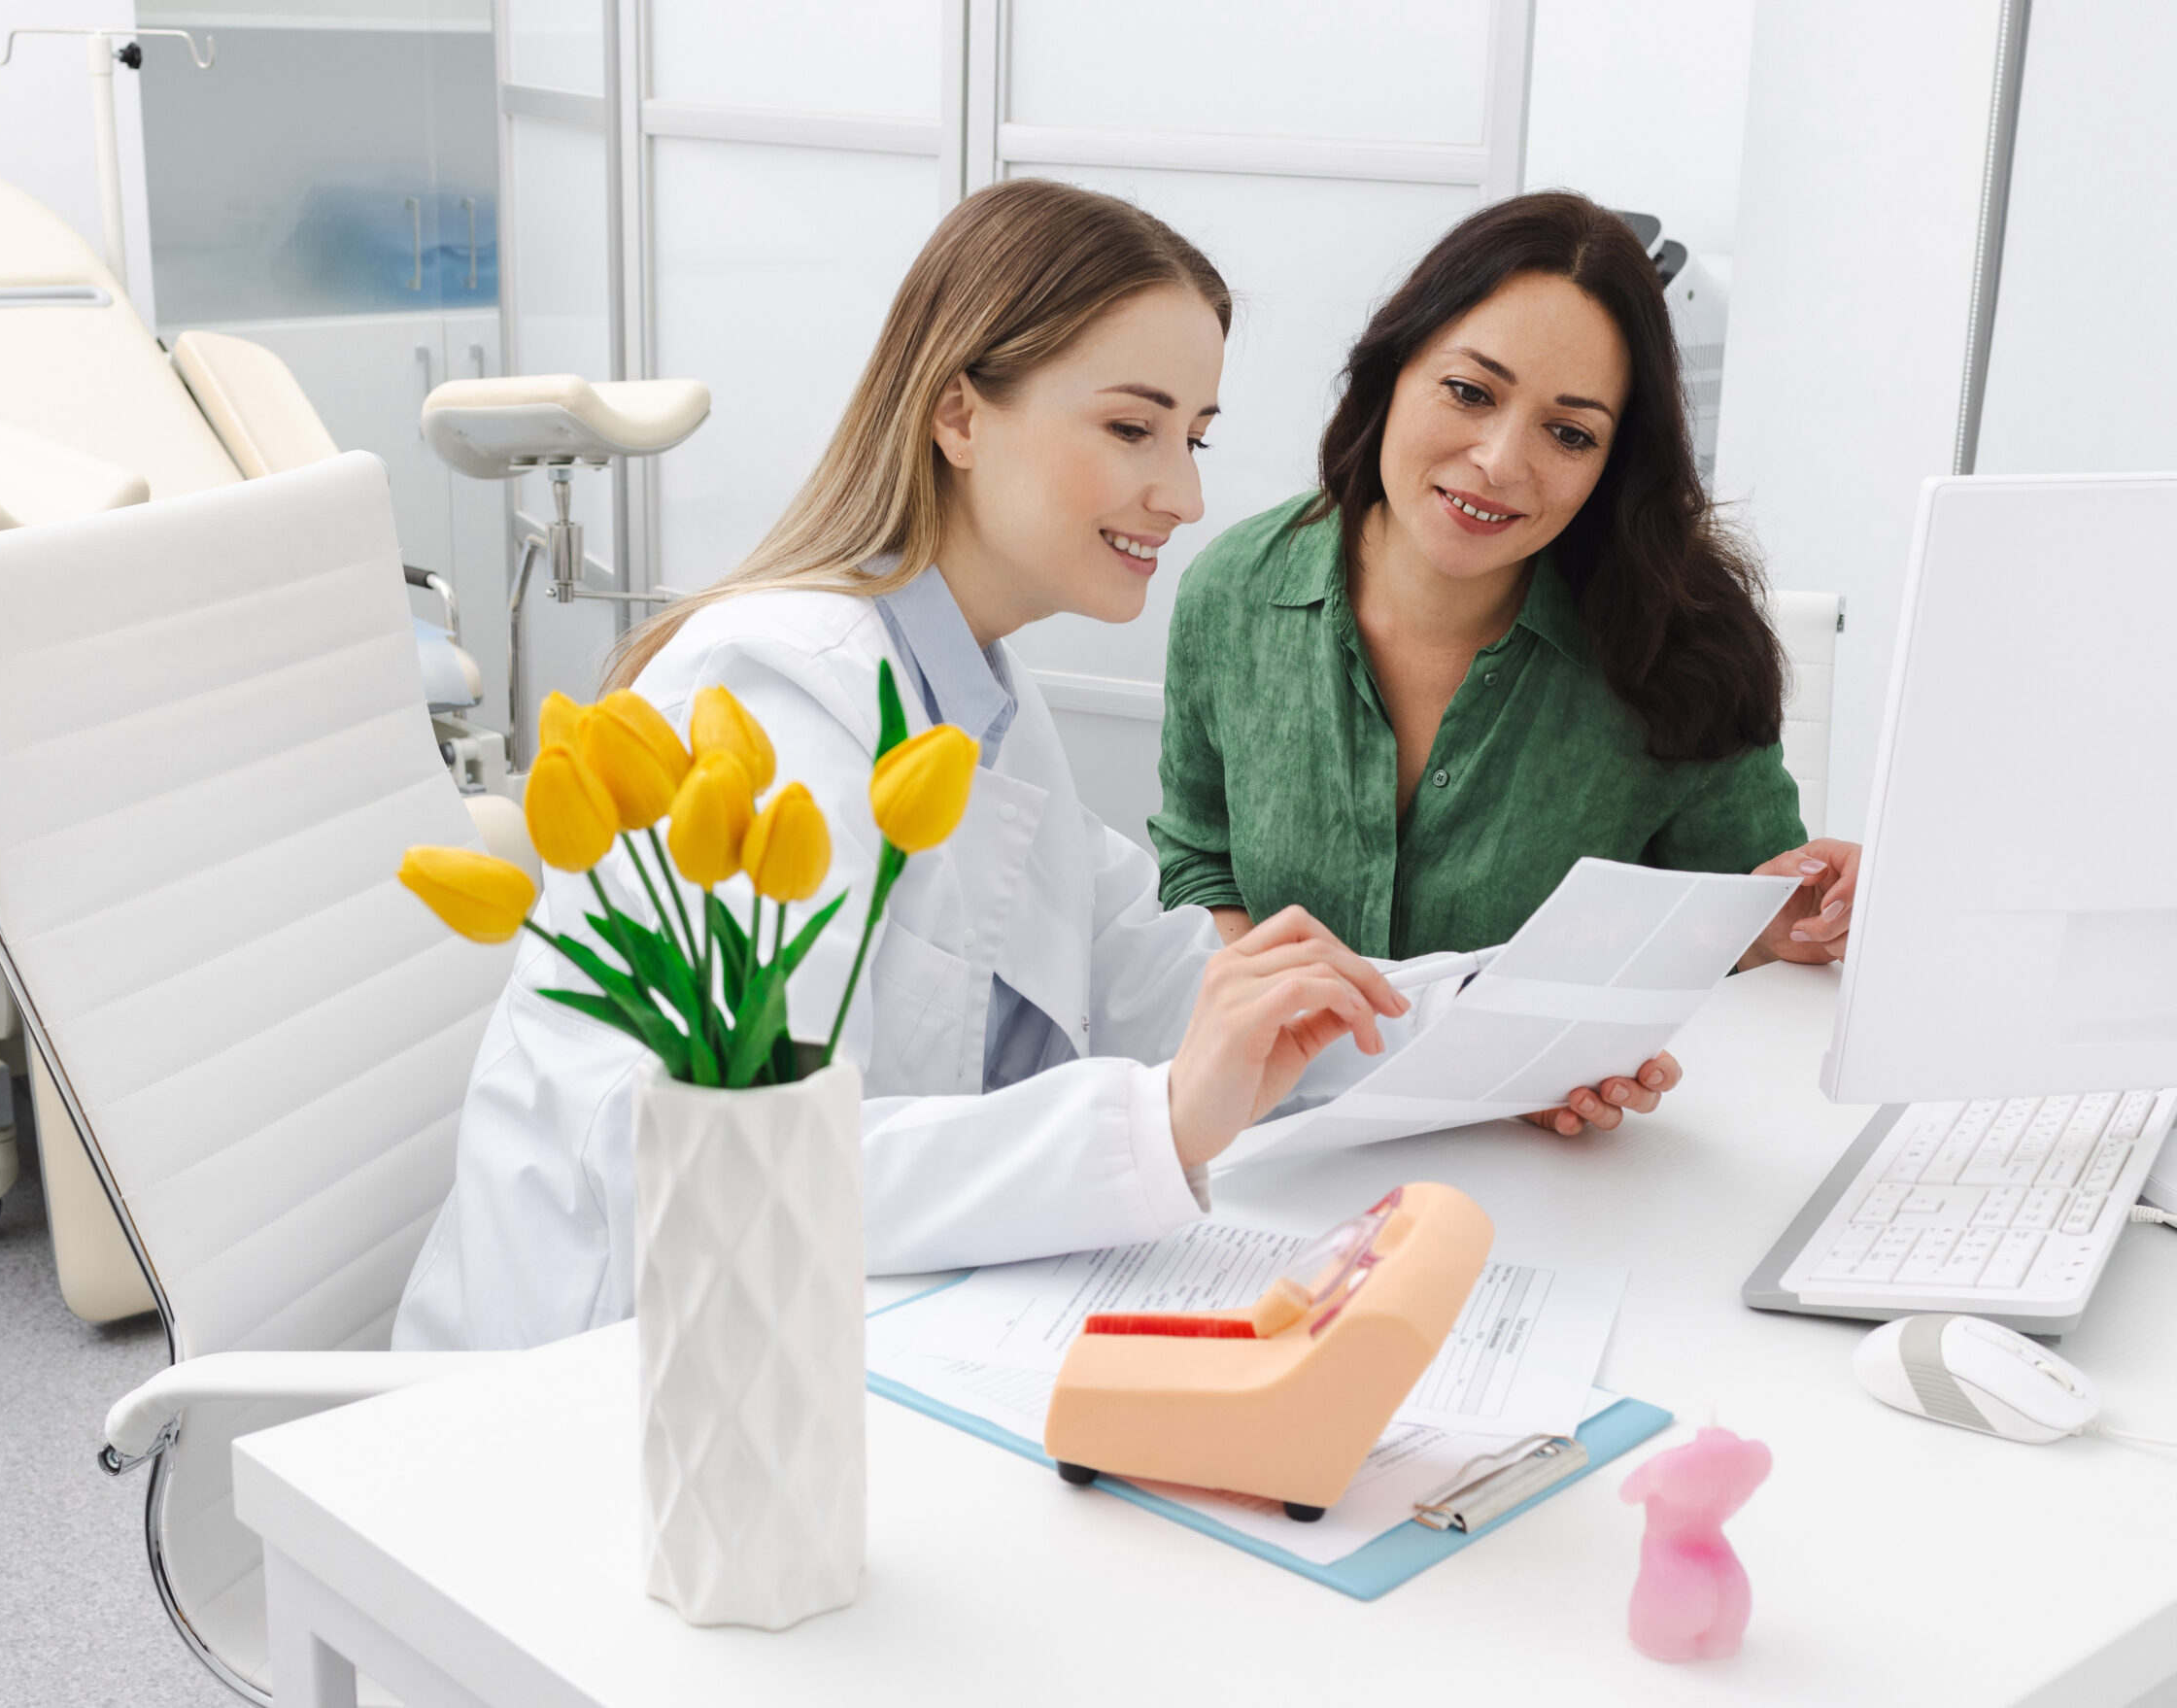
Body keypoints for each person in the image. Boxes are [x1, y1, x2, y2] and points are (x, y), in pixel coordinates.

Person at [393, 181, 1677, 1353]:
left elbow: (1167, 978)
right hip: (608, 1381)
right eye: (1134, 428)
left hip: (842, 1339)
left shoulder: (980, 698)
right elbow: (734, 1165)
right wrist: (1164, 1119)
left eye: (1197, 438)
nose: (1180, 494)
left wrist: (1522, 1028)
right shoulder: (768, 697)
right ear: (959, 411)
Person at [1153, 193, 1859, 1140]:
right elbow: (1200, 863)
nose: (1497, 461)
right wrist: (1284, 1045)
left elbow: (1737, 932)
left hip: (1547, 1173)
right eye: (1470, 391)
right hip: (1273, 1144)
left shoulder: (1685, 643)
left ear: (1613, 462)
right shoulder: (1231, 590)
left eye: (1568, 433)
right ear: (1393, 370)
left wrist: (1797, 924)